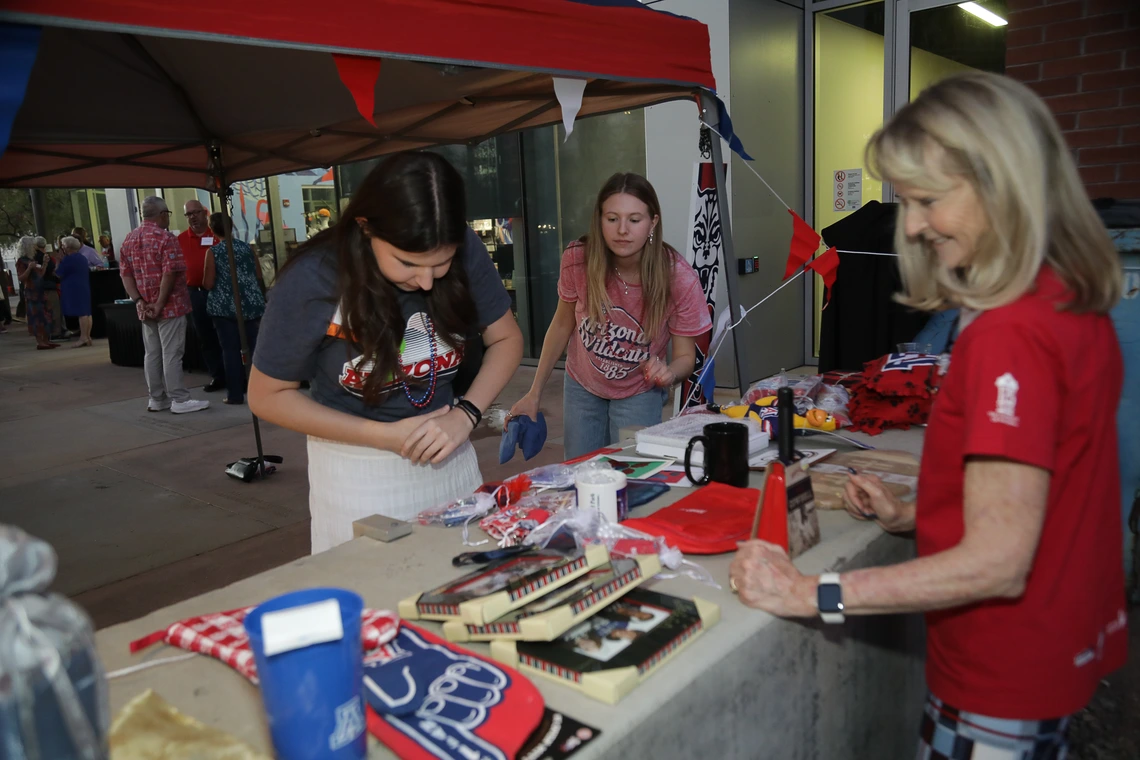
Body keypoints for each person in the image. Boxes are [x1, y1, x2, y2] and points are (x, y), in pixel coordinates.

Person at [728, 72, 1125, 758]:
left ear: (1004, 185)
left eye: (928, 201)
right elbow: (1046, 488)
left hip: (998, 675)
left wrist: (808, 592)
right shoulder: (1066, 298)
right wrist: (923, 514)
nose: (910, 225)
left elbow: (999, 562)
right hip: (1053, 654)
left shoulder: (1010, 331)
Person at [249, 152, 523, 554]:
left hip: (450, 455)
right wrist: (382, 436)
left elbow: (507, 339)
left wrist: (467, 415)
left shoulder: (465, 249)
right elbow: (266, 395)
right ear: (365, 228)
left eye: (441, 263)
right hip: (356, 469)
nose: (427, 281)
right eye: (408, 263)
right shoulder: (314, 276)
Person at [509, 173, 712, 460]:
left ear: (653, 222)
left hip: (639, 391)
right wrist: (534, 392)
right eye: (612, 218)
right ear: (599, 220)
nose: (622, 230)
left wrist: (669, 373)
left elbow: (685, 358)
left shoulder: (678, 278)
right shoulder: (578, 258)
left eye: (635, 219)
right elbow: (562, 324)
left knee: (635, 475)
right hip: (582, 385)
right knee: (582, 471)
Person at [118, 196, 210, 415]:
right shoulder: (166, 238)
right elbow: (170, 272)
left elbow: (125, 274)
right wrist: (159, 304)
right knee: (171, 354)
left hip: (145, 307)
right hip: (170, 306)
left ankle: (156, 398)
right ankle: (179, 398)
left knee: (152, 354)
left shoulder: (129, 239)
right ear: (161, 215)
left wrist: (139, 301)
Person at [203, 212, 266, 405]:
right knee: (255, 349)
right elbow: (258, 275)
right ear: (231, 227)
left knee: (230, 351)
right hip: (251, 305)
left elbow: (208, 282)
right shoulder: (247, 248)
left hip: (224, 308)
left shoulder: (213, 252)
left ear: (212, 230)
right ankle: (261, 392)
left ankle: (235, 394)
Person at [178, 199, 226, 393]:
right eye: (189, 214)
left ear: (205, 212)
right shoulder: (180, 239)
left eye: (196, 212)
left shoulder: (216, 235)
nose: (193, 217)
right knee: (206, 337)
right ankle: (217, 376)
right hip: (195, 294)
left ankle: (236, 374)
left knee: (226, 334)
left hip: (220, 292)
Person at [15, 236, 56, 349]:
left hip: (40, 290)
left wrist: (45, 264)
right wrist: (29, 268)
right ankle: (40, 342)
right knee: (36, 316)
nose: (35, 248)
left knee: (46, 314)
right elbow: (21, 278)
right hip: (31, 292)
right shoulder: (21, 261)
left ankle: (46, 339)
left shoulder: (31, 260)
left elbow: (40, 275)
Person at [55, 237, 94, 347]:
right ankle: (87, 336)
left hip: (73, 288)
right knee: (87, 312)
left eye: (63, 245)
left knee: (81, 314)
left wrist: (58, 261)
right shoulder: (82, 258)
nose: (61, 247)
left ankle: (83, 337)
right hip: (83, 286)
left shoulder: (69, 259)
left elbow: (58, 273)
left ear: (67, 247)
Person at [41, 237, 67, 340]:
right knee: (56, 309)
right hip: (53, 285)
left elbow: (57, 273)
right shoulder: (51, 257)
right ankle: (58, 330)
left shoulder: (53, 257)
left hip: (54, 285)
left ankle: (57, 331)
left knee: (55, 309)